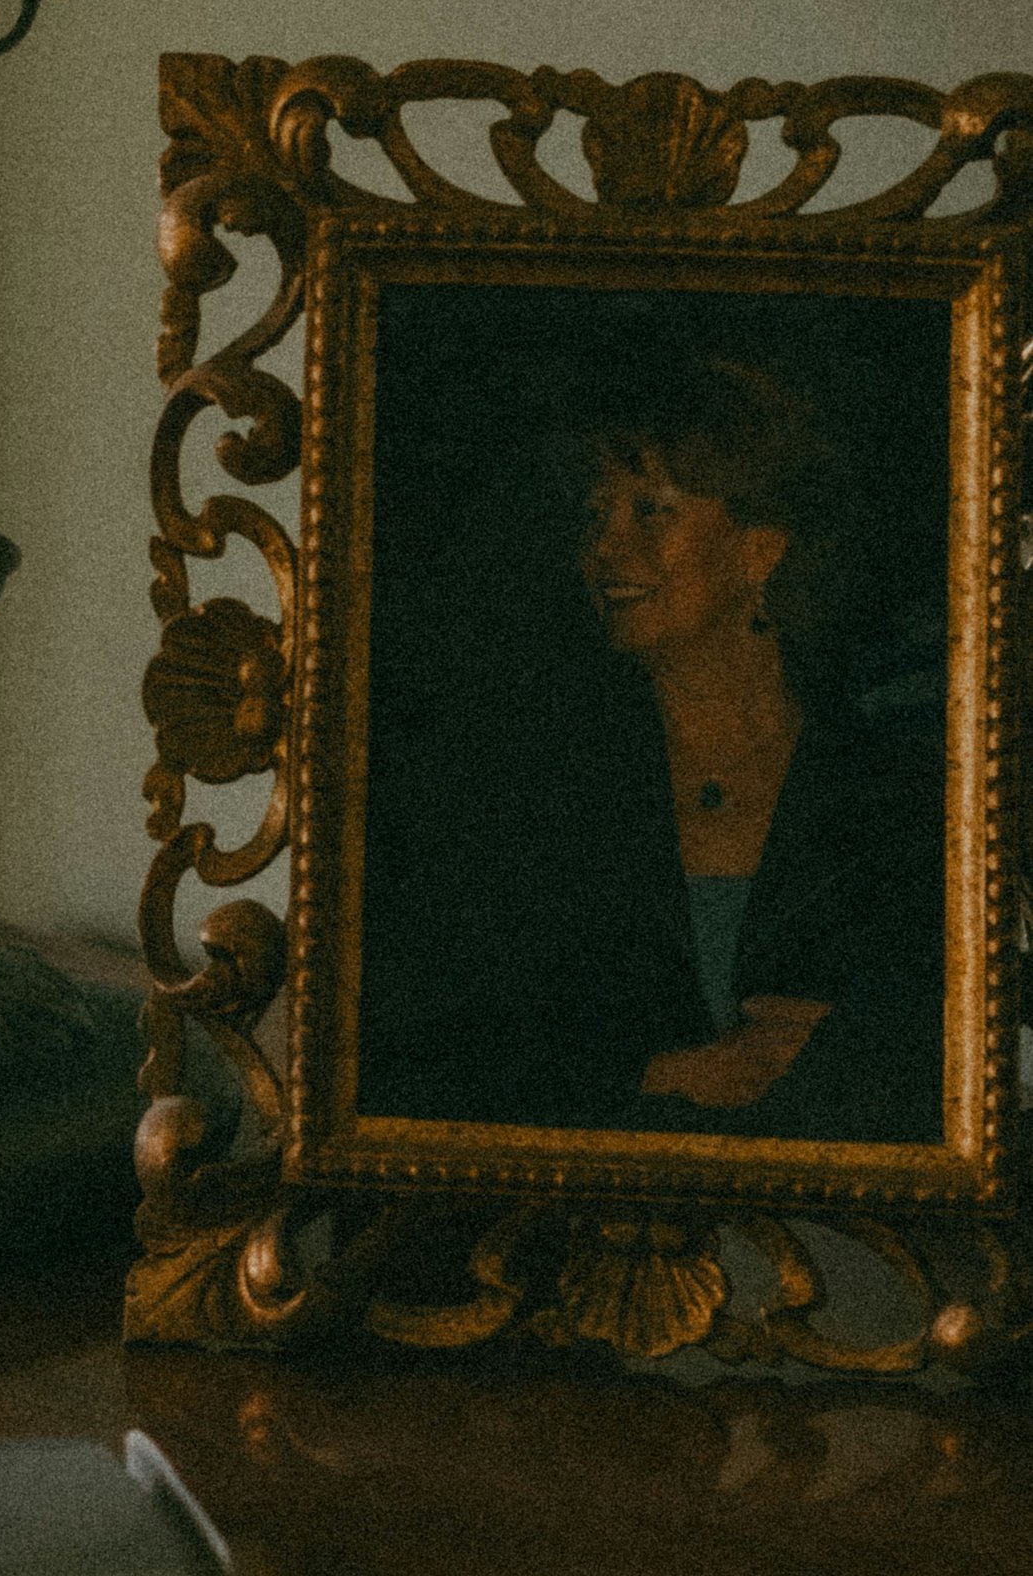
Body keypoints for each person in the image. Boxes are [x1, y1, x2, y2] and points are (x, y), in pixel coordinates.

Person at [355, 347, 946, 1144]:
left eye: (652, 511)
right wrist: (660, 1076)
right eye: (598, 513)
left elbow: (955, 1045)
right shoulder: (529, 783)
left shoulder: (893, 787)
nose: (605, 546)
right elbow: (416, 1058)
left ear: (759, 547)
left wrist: (852, 1054)